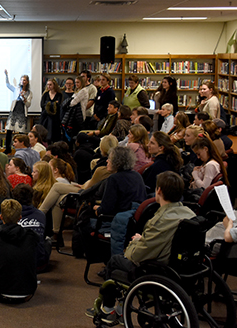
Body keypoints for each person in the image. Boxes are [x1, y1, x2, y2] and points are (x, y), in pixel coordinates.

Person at [87, 171, 194, 325]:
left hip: (158, 269)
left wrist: (135, 243)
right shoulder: (189, 213)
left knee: (115, 261)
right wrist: (144, 239)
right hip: (181, 267)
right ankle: (119, 308)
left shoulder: (159, 221)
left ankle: (108, 309)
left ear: (159, 191)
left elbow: (137, 255)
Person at [12, 183, 51, 271]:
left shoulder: (10, 215)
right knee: (47, 240)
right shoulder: (41, 215)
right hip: (39, 264)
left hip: (17, 265)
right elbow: (45, 234)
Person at [4, 70, 32, 154]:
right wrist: (6, 76)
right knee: (9, 131)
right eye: (22, 80)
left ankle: (21, 149)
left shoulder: (29, 93)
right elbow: (8, 85)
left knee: (21, 133)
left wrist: (24, 97)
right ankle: (8, 149)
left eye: (24, 80)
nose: (23, 82)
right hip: (14, 112)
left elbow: (28, 104)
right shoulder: (16, 89)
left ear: (27, 82)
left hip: (22, 113)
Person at [39, 78, 62, 143]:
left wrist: (48, 103)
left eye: (50, 85)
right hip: (45, 117)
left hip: (55, 118)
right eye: (48, 85)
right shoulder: (45, 94)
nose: (49, 86)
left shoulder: (59, 95)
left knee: (55, 135)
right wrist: (53, 103)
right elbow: (42, 105)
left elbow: (59, 105)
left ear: (54, 85)